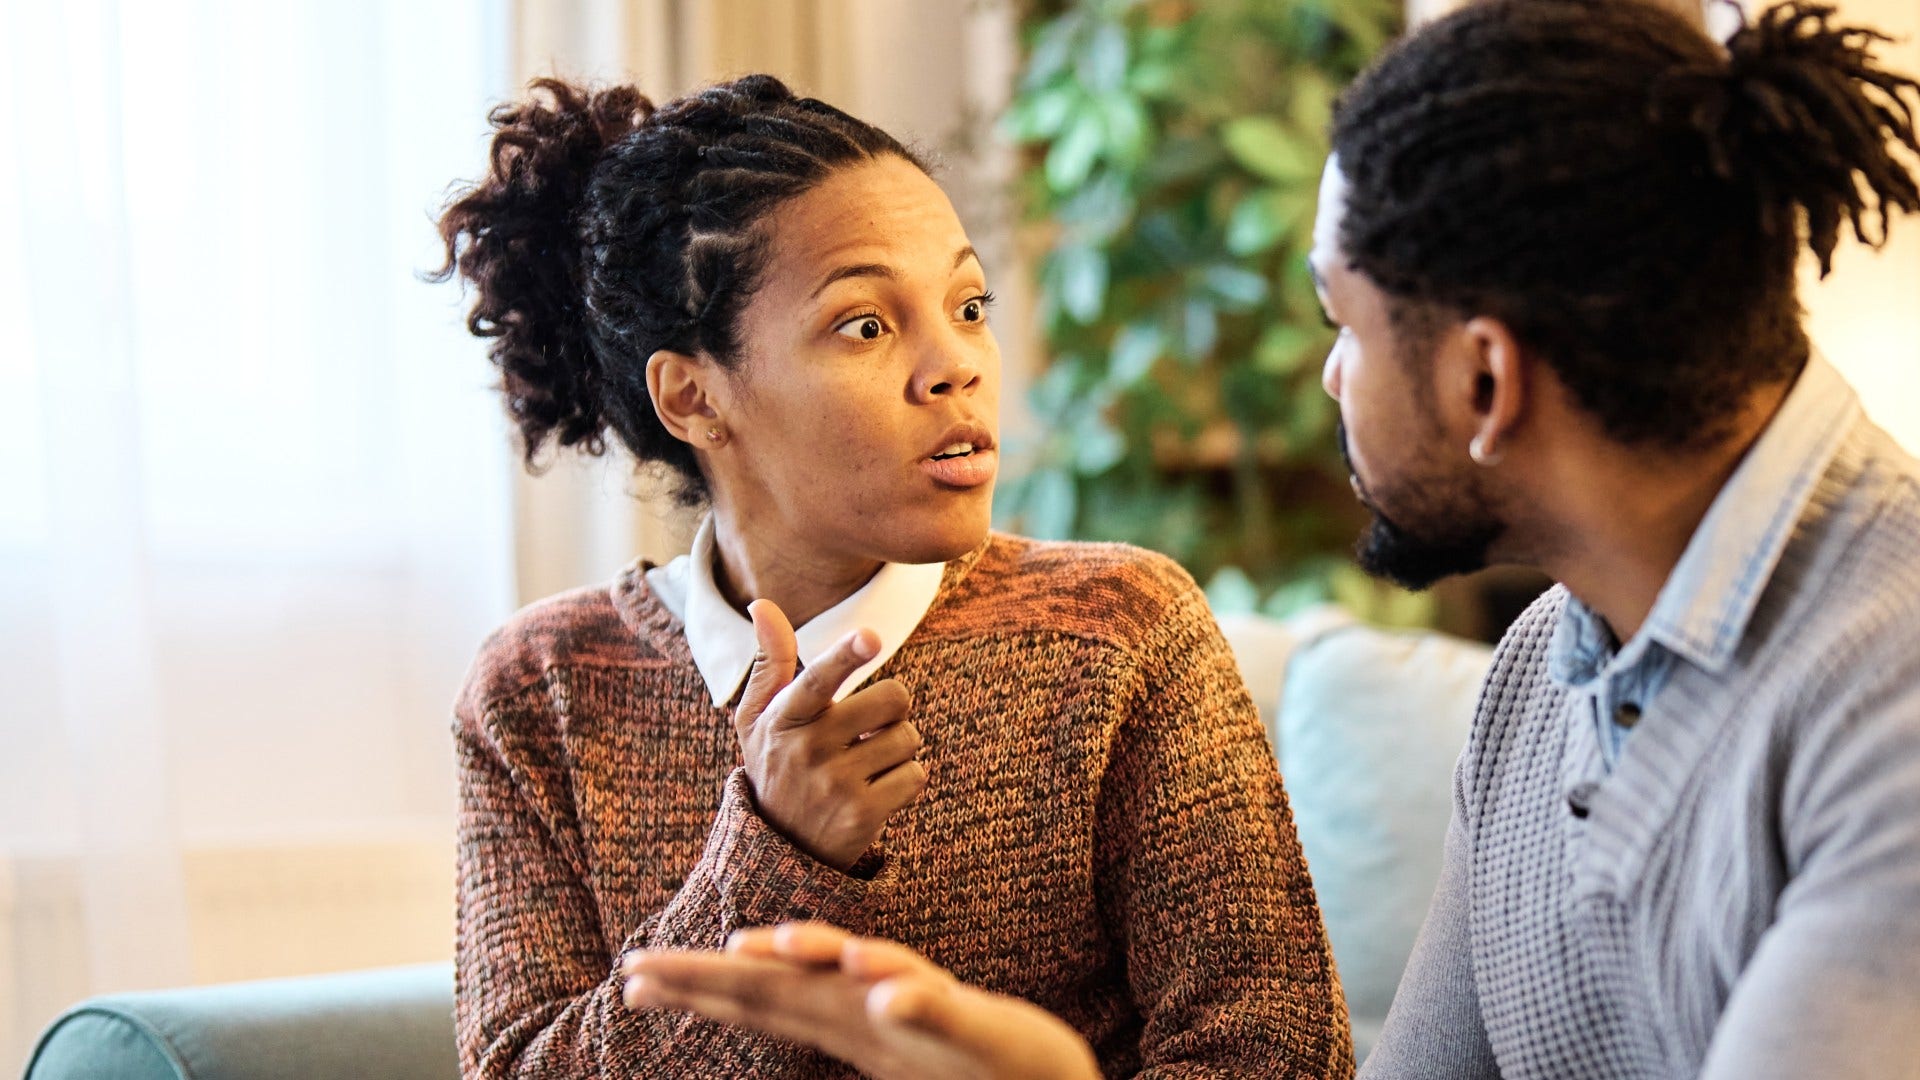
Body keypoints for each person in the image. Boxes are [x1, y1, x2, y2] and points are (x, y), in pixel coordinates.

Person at [620, 1, 1920, 1077]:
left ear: (1485, 384)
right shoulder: (1539, 677)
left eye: (1342, 324)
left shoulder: (1888, 707)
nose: (1327, 382)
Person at [434, 75, 1351, 1078]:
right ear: (692, 395)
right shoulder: (541, 689)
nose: (954, 366)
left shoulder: (1121, 631)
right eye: (865, 325)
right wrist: (774, 854)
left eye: (967, 305)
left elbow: (1277, 1055)